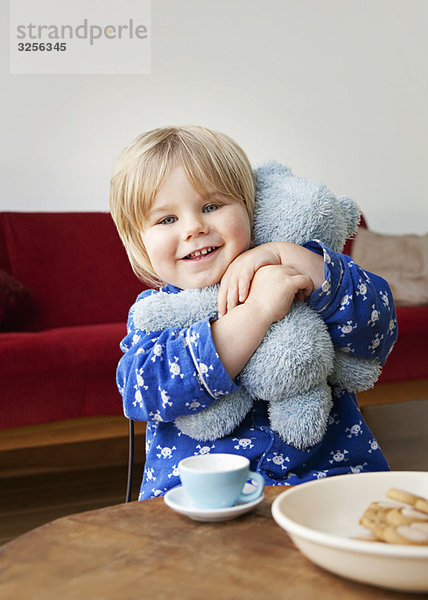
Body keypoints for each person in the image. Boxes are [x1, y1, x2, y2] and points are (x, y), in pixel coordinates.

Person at [110, 125, 398, 500]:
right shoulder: (156, 314)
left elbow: (379, 328)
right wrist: (258, 310)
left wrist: (285, 255)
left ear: (250, 207)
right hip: (199, 497)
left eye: (211, 206)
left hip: (329, 480)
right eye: (167, 220)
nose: (195, 227)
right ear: (139, 243)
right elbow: (142, 393)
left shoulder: (299, 272)